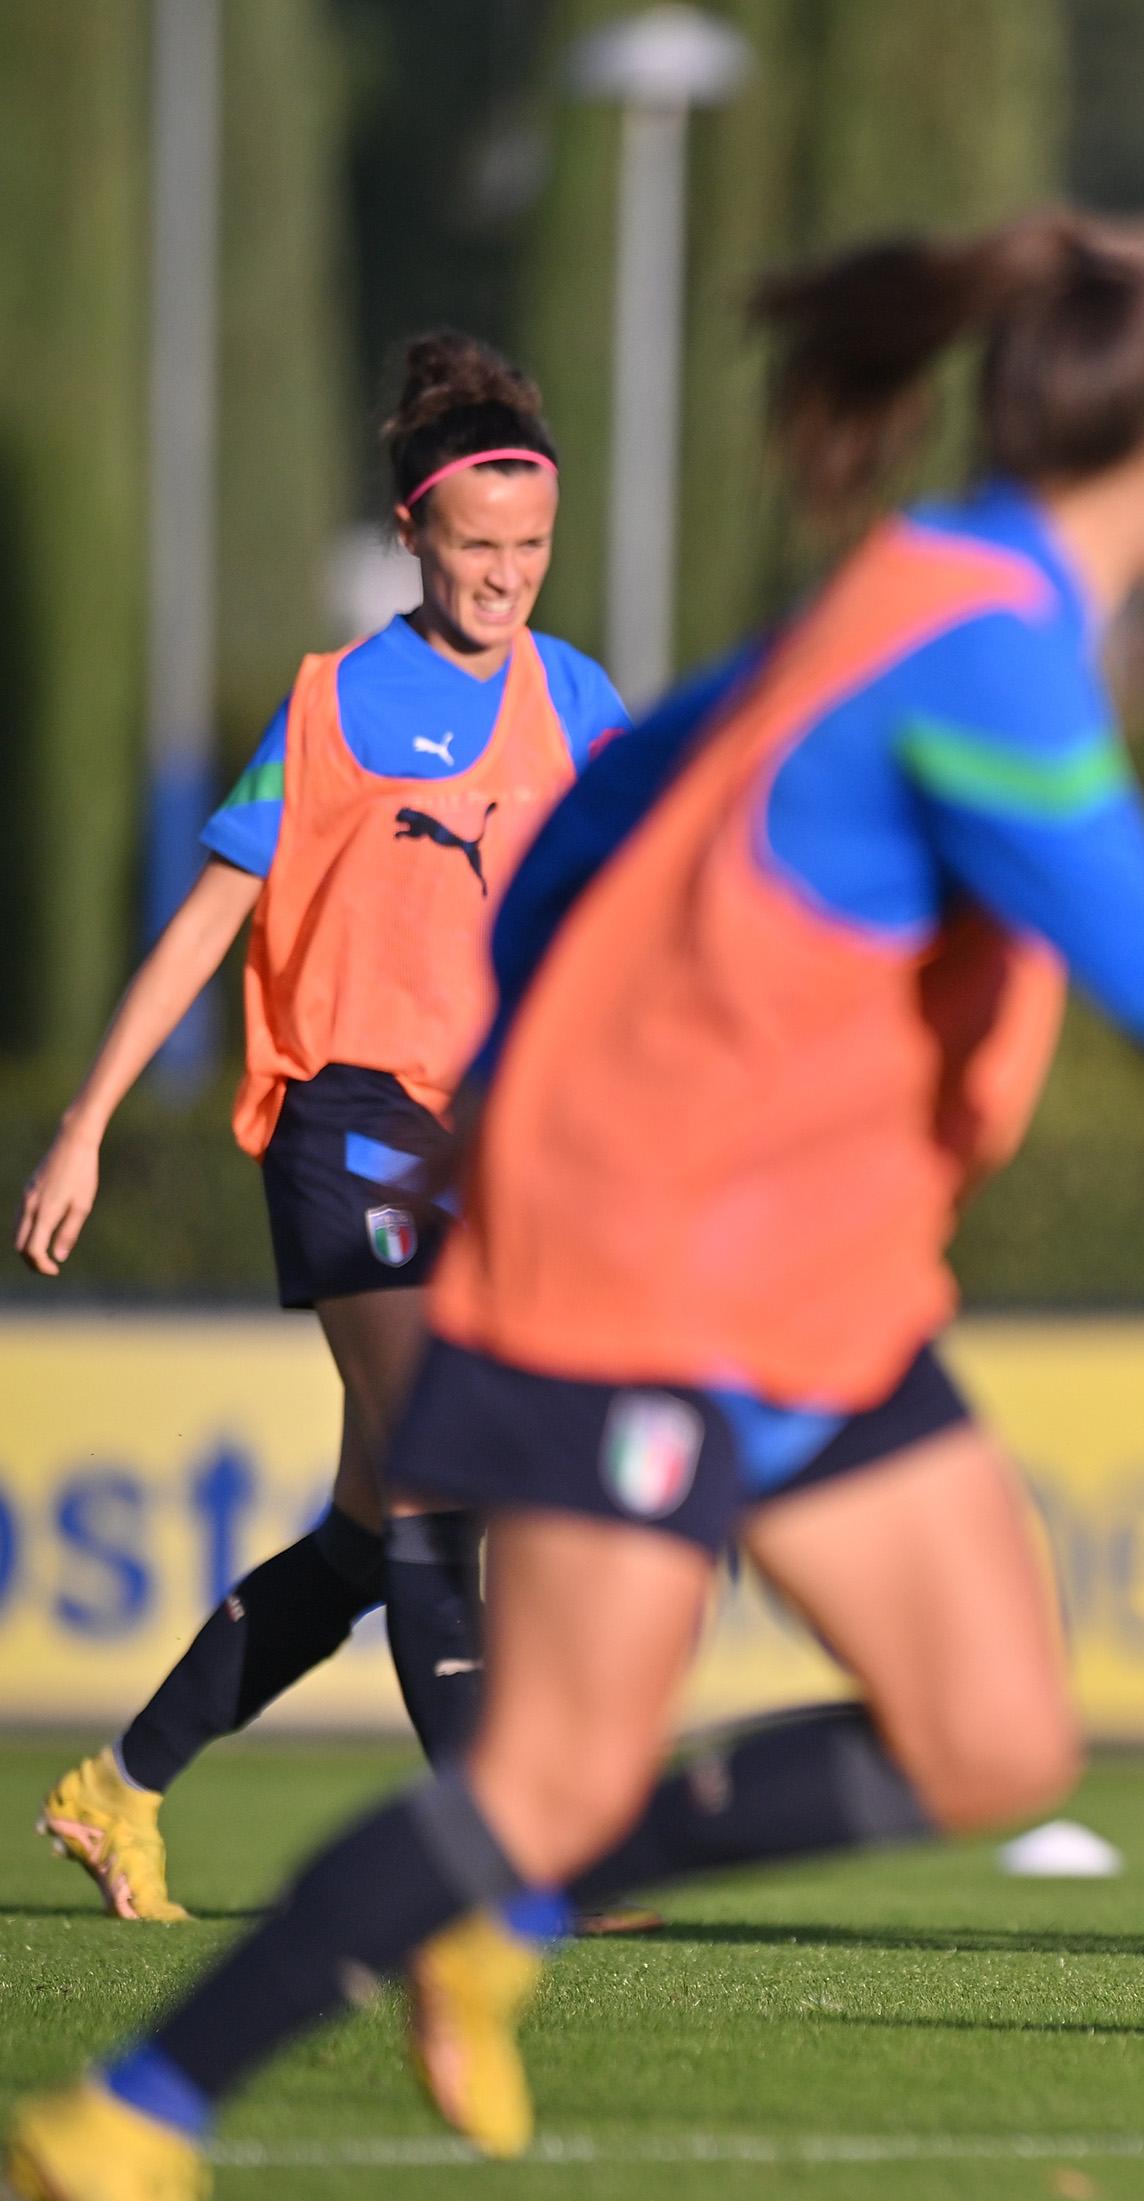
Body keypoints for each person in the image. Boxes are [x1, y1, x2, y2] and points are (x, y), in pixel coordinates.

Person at [2, 210, 1144, 2201]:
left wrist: (527, 1047)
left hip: (814, 1279)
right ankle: (124, 2114)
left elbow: (588, 836)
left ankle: (504, 1909)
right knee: (532, 1773)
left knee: (993, 1731)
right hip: (653, 1279)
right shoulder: (984, 643)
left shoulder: (918, 582)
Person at [20, 336, 623, 1921]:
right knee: (442, 1473)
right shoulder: (335, 705)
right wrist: (84, 1124)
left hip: (482, 1143)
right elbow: (203, 927)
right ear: (414, 534)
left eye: (532, 548)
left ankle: (118, 1785)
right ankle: (513, 1856)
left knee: (369, 1537)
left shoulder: (578, 701)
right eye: (477, 546)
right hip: (344, 1118)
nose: (506, 577)